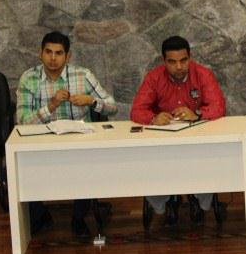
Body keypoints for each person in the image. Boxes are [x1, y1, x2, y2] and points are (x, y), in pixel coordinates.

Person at [16, 30, 118, 237]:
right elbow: (23, 121)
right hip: (42, 141)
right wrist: (51, 106)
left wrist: (92, 101)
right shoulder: (29, 78)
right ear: (40, 53)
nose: (53, 58)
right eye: (48, 52)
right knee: (24, 164)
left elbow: (112, 107)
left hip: (79, 140)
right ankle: (39, 215)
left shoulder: (83, 75)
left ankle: (78, 218)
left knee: (85, 164)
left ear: (68, 56)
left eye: (59, 53)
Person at [131, 35, 226, 225]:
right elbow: (136, 111)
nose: (179, 66)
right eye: (172, 62)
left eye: (183, 60)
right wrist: (153, 118)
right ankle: (165, 203)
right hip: (163, 142)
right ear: (164, 61)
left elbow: (219, 107)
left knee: (209, 159)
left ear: (190, 57)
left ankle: (200, 201)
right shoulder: (154, 77)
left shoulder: (203, 74)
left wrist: (197, 113)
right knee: (147, 162)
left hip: (198, 140)